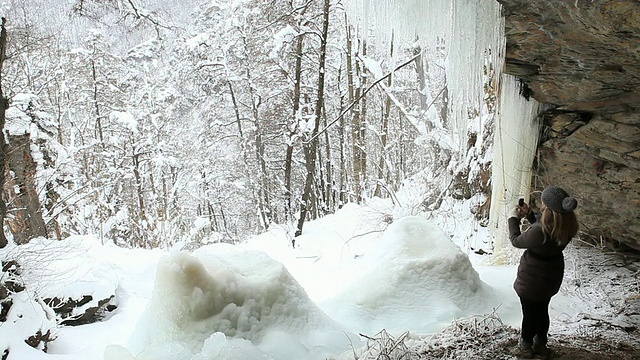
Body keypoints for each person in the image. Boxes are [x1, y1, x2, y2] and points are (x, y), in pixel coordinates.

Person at [508, 186, 579, 359]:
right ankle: (541, 344)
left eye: (543, 204)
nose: (541, 205)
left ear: (548, 209)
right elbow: (546, 225)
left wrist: (513, 219)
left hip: (533, 278)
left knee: (530, 313)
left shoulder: (539, 232)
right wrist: (530, 215)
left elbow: (516, 240)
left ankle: (525, 347)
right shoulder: (567, 225)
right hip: (551, 275)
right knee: (542, 309)